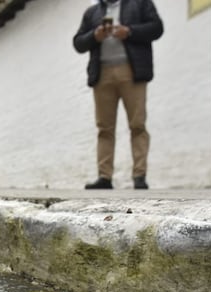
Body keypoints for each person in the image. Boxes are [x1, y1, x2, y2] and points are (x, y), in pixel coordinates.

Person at [73, 0, 163, 189]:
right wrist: (94, 36)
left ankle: (139, 176)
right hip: (102, 73)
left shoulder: (140, 3)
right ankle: (104, 177)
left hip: (133, 70)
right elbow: (78, 43)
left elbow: (157, 28)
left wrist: (129, 32)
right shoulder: (92, 12)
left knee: (137, 124)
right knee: (104, 127)